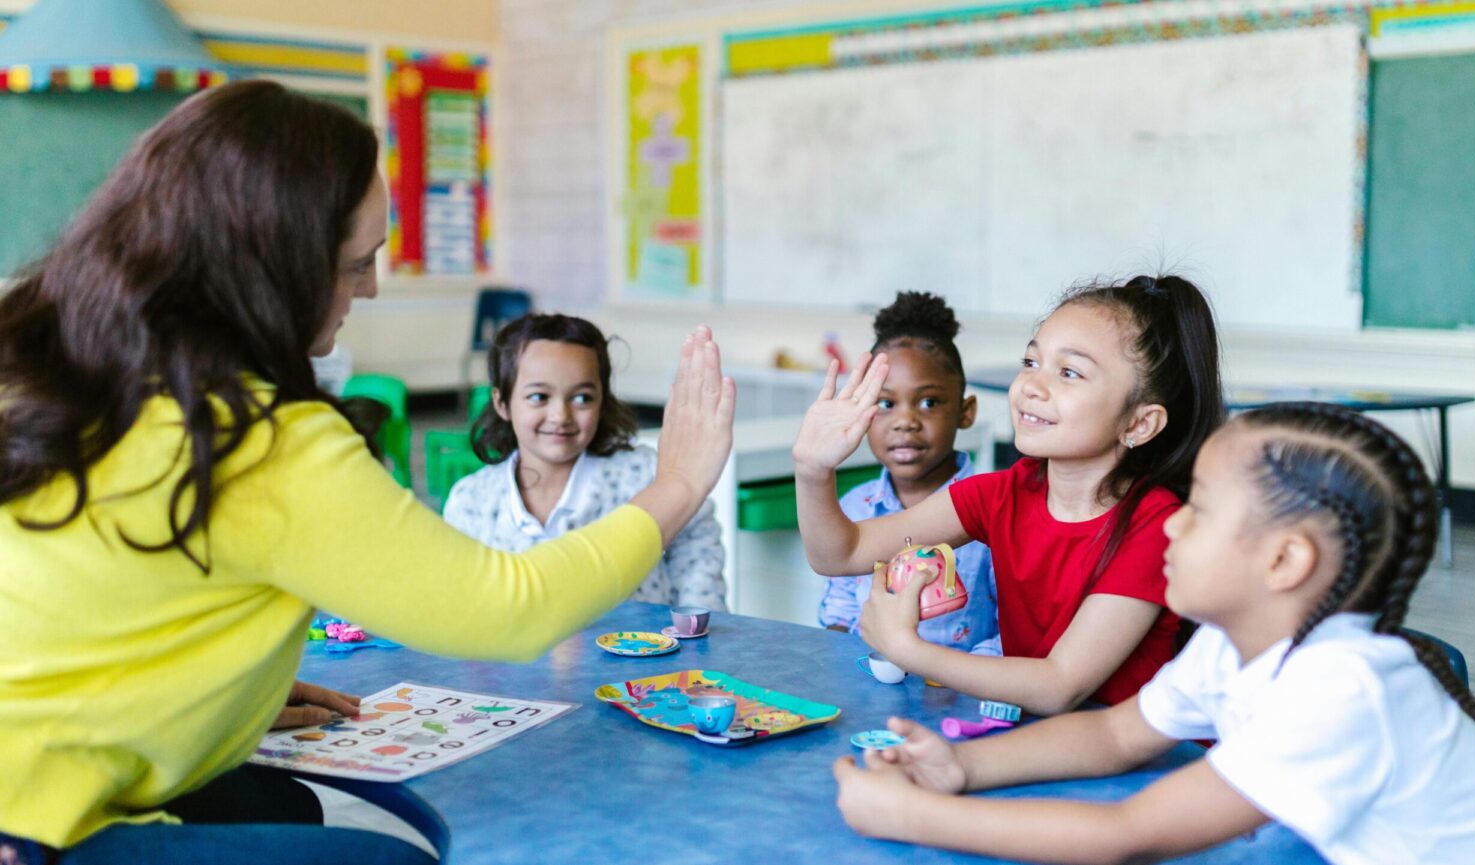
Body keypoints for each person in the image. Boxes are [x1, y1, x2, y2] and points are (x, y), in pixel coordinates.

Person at [0, 80, 734, 864]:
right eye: (357, 264)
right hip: (29, 821)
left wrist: (222, 690)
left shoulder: (68, 365)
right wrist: (679, 482)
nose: (372, 288)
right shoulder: (257, 437)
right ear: (273, 269)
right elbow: (508, 609)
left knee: (278, 800)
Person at [832, 402, 1475, 864]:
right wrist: (965, 768)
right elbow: (1114, 735)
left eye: (1199, 509)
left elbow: (1125, 835)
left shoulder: (1339, 687)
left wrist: (912, 816)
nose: (1170, 521)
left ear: (1285, 560)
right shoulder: (1231, 649)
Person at [796, 276, 1224, 713]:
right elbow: (841, 554)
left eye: (1069, 372)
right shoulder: (1002, 494)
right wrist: (813, 469)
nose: (1032, 387)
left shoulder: (1156, 526)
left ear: (1138, 424)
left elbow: (1060, 684)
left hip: (1129, 766)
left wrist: (909, 650)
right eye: (1031, 361)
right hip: (1034, 739)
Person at [444, 312, 727, 610]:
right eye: (539, 396)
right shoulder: (471, 501)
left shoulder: (648, 476)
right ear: (502, 403)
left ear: (603, 400)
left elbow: (698, 551)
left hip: (642, 655)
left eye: (582, 398)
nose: (560, 416)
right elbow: (461, 605)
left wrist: (697, 635)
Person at [816, 291, 997, 652]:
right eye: (885, 403)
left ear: (966, 411)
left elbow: (1015, 634)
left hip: (961, 695)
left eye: (928, 402)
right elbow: (840, 611)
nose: (905, 421)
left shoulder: (994, 513)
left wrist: (960, 680)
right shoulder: (855, 507)